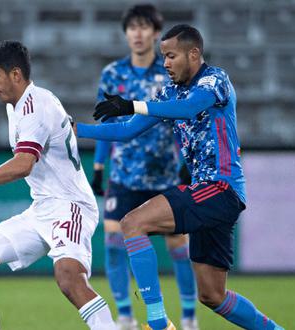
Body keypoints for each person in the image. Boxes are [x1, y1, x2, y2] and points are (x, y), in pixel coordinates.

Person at [76, 25, 284, 330]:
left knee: (133, 223)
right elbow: (126, 130)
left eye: (171, 56)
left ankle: (159, 323)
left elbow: (188, 109)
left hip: (220, 187)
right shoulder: (170, 92)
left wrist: (133, 103)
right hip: (211, 194)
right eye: (163, 57)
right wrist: (74, 130)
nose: (166, 63)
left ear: (194, 54)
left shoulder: (215, 80)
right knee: (213, 296)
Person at [0, 40, 115, 330]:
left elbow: (22, 165)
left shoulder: (35, 106)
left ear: (15, 75)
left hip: (70, 206)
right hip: (43, 208)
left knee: (69, 277)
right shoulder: (18, 105)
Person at [90, 5, 198, 330]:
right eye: (132, 28)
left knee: (178, 245)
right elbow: (106, 121)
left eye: (144, 27)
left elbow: (183, 118)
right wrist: (98, 166)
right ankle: (125, 316)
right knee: (112, 241)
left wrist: (186, 161)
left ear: (154, 32)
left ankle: (190, 317)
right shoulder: (112, 74)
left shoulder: (168, 70)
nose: (137, 33)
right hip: (124, 176)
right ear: (126, 34)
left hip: (164, 174)